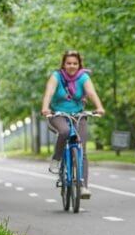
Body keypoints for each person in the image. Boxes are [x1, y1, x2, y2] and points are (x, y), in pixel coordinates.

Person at [41, 51, 105, 193]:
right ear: (63, 64)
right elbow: (49, 93)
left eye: (75, 63)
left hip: (78, 115)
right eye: (69, 63)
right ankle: (57, 159)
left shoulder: (83, 77)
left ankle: (83, 187)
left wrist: (99, 107)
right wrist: (45, 108)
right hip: (58, 114)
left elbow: (91, 93)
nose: (72, 66)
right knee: (64, 131)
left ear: (79, 65)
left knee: (81, 149)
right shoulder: (56, 76)